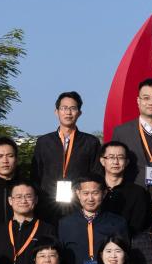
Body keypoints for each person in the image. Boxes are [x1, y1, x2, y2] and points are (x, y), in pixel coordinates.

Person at [32, 91, 101, 221]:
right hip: (47, 204)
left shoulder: (91, 142)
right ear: (56, 112)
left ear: (79, 113)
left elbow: (96, 174)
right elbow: (36, 175)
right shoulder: (44, 142)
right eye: (64, 108)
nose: (68, 112)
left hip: (79, 205)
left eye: (73, 108)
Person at [57, 176, 129, 264]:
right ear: (78, 194)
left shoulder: (118, 223)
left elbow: (125, 256)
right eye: (85, 193)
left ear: (104, 193)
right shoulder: (65, 224)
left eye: (95, 193)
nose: (90, 198)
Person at [0, 181, 57, 264]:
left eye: (28, 196)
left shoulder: (47, 230)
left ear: (36, 200)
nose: (23, 201)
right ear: (10, 200)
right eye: (18, 197)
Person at [99, 140, 152, 236]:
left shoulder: (138, 193)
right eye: (111, 157)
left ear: (127, 162)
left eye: (120, 157)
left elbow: (139, 226)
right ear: (102, 161)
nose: (116, 162)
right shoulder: (94, 189)